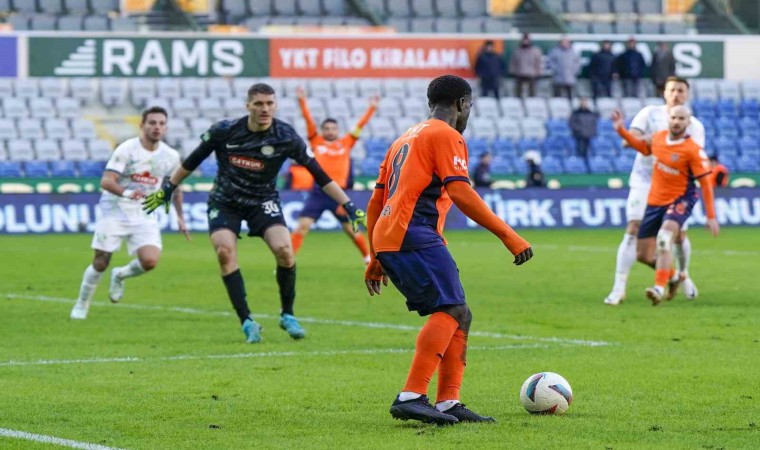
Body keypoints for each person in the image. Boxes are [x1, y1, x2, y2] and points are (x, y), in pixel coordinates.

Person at [363, 75, 534, 425]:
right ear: (462, 104)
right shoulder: (446, 134)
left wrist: (375, 254)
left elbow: (376, 201)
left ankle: (448, 402)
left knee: (461, 313)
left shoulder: (402, 139)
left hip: (392, 233)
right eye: (469, 106)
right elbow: (461, 192)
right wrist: (509, 236)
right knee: (452, 308)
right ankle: (411, 395)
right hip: (413, 231)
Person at [142, 83, 365, 343]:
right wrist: (168, 188)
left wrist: (348, 205)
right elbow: (191, 162)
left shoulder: (285, 136)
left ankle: (287, 314)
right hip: (225, 201)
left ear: (275, 105)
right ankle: (247, 320)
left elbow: (321, 175)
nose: (264, 109)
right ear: (248, 106)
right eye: (259, 103)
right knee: (224, 252)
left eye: (269, 103)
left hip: (263, 200)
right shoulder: (225, 131)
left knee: (285, 250)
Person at [70, 106, 188, 320]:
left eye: (161, 123)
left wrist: (180, 217)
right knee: (101, 262)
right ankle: (82, 303)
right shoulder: (127, 149)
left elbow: (175, 187)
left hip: (144, 212)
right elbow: (106, 181)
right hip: (115, 209)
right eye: (152, 123)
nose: (157, 127)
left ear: (166, 128)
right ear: (142, 125)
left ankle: (120, 275)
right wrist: (127, 192)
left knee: (150, 261)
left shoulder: (170, 156)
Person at [604, 77, 705, 306]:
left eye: (681, 90)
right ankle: (619, 288)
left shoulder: (695, 125)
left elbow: (692, 154)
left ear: (687, 94)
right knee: (633, 228)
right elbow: (628, 141)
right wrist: (651, 140)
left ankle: (683, 274)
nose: (676, 94)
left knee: (677, 236)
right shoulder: (649, 113)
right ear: (664, 93)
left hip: (676, 185)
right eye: (672, 90)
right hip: (644, 179)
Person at [290, 87, 378, 264]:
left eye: (333, 128)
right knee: (303, 226)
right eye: (327, 128)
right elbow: (308, 120)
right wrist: (302, 101)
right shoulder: (316, 141)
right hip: (319, 192)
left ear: (338, 130)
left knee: (351, 229)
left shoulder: (346, 143)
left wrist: (372, 108)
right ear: (322, 131)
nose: (330, 131)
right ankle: (288, 261)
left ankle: (367, 258)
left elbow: (360, 126)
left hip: (339, 194)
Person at [509, 33, 544, 98]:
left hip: (531, 73)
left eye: (527, 40)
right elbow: (513, 62)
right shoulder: (517, 51)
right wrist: (512, 71)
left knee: (532, 91)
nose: (525, 42)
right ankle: (518, 100)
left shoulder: (535, 51)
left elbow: (538, 62)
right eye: (524, 40)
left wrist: (538, 72)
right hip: (520, 72)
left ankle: (532, 101)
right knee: (518, 91)